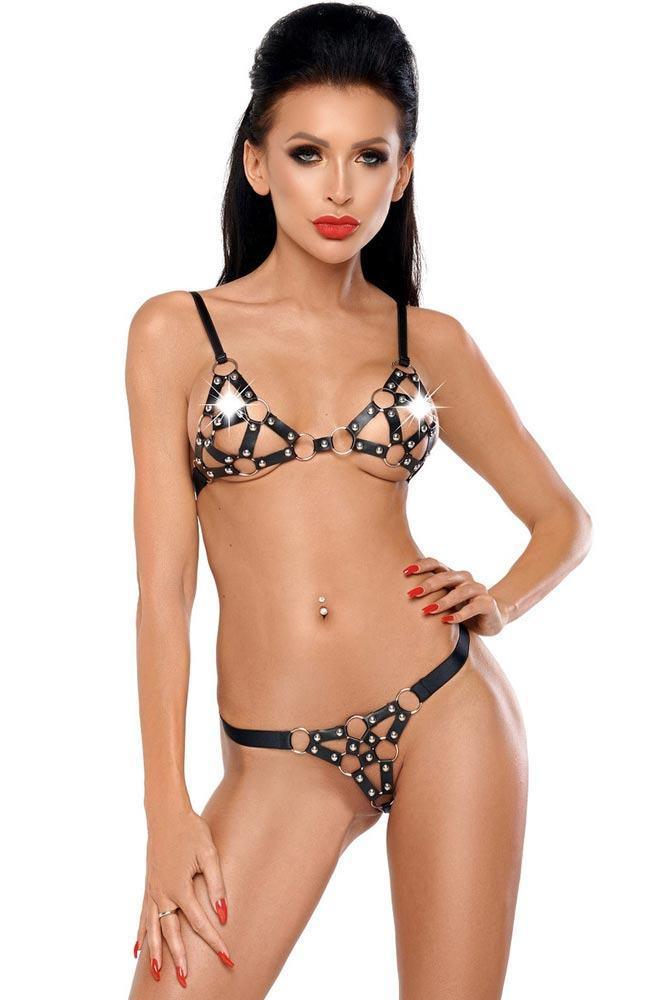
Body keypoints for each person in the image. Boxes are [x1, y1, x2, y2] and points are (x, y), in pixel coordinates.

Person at [125, 4, 592, 996]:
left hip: (442, 708)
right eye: (307, 153)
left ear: (401, 172)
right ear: (257, 164)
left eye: (368, 157)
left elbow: (563, 520)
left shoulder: (429, 342)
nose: (338, 188)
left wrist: (499, 601)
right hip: (280, 754)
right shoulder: (175, 333)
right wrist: (167, 809)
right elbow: (164, 592)